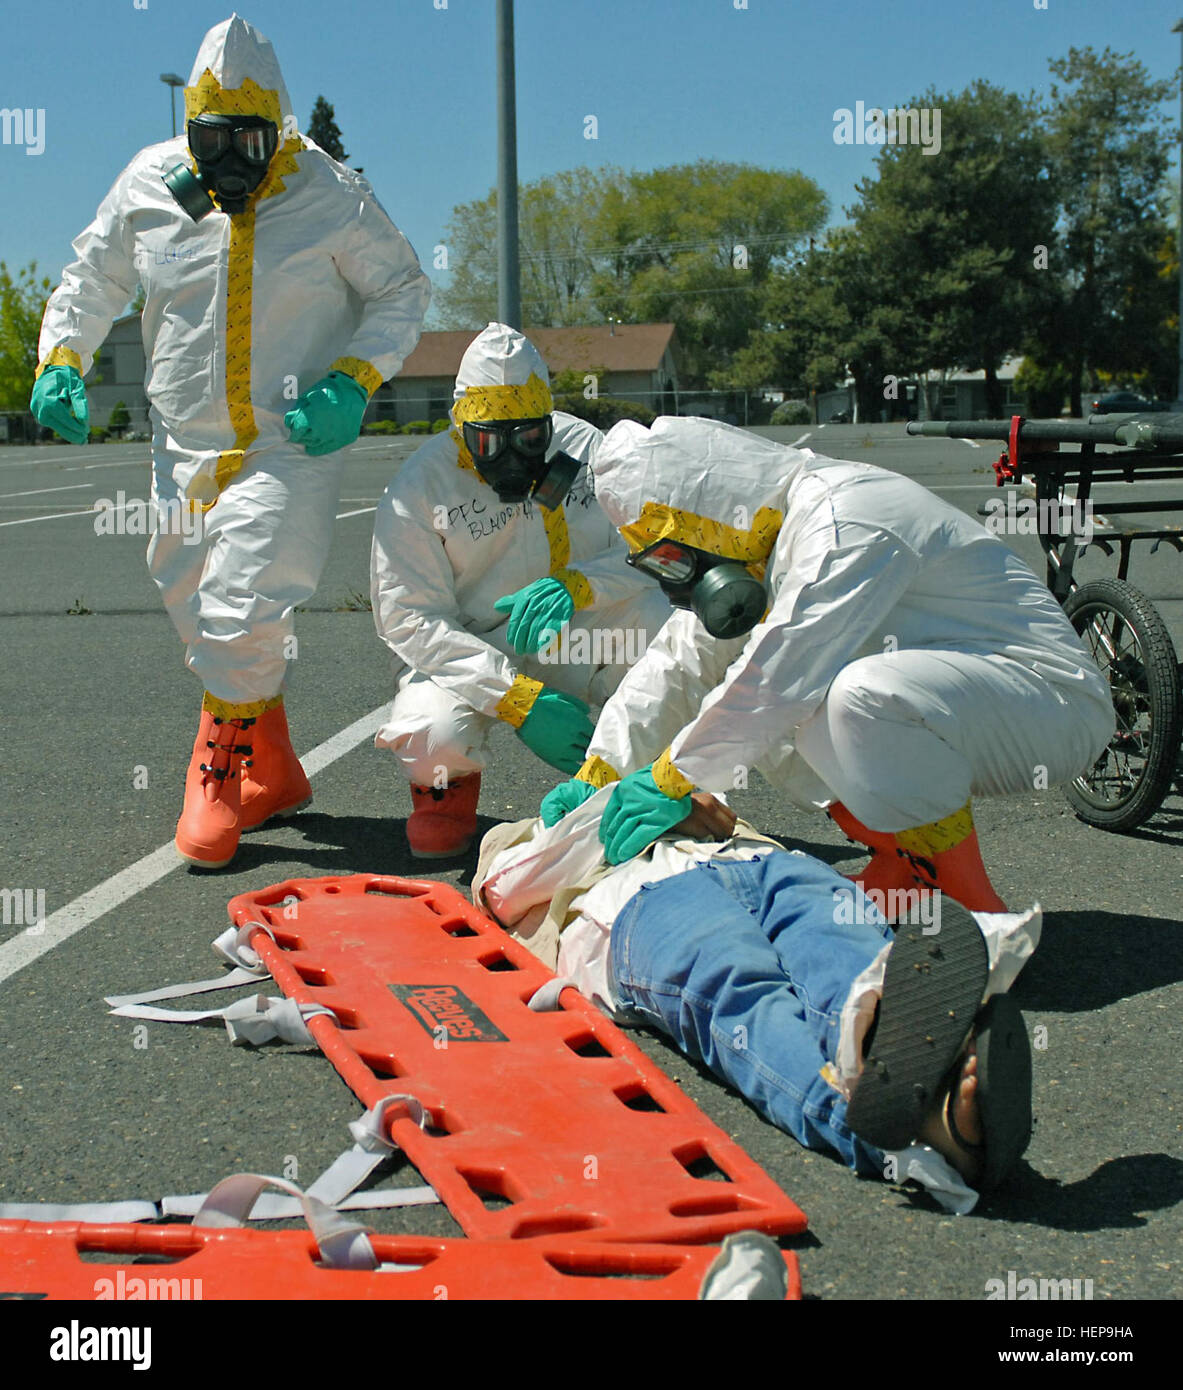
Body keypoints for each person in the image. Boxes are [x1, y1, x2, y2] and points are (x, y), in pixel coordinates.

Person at [29, 15, 430, 869]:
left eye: (250, 138)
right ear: (191, 131)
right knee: (189, 598)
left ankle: (212, 774)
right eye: (212, 139)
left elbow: (401, 287)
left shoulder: (330, 190)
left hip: (292, 441)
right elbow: (91, 274)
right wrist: (61, 356)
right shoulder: (150, 183)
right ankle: (273, 765)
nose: (230, 159)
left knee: (241, 601)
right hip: (179, 445)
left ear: (279, 127)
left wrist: (354, 379)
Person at [535, 416, 1115, 914]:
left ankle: (974, 906)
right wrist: (602, 770)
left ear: (707, 514)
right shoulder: (762, 541)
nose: (678, 579)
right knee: (765, 717)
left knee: (841, 697)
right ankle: (903, 868)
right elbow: (676, 665)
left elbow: (778, 676)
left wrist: (672, 777)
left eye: (672, 557)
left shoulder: (846, 521)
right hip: (964, 699)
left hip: (1048, 703)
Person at [473, 786, 1037, 1210]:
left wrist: (675, 795)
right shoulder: (520, 832)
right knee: (745, 997)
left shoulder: (667, 777)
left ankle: (916, 1071)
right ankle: (909, 1134)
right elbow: (507, 886)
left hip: (767, 865)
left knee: (853, 965)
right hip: (643, 902)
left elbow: (719, 812)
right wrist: (597, 808)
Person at [370, 324, 669, 859]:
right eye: (488, 441)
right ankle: (445, 794)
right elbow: (408, 618)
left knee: (659, 624)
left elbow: (655, 549)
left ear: (548, 424)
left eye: (530, 439)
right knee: (427, 731)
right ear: (460, 426)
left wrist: (580, 584)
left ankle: (642, 779)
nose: (511, 457)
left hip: (572, 629)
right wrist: (514, 697)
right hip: (474, 647)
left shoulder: (588, 452)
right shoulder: (420, 486)